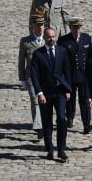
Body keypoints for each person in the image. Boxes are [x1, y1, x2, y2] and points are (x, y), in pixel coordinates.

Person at [31, 27, 72, 161]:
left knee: (61, 119)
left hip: (60, 91)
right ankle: (49, 149)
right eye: (49, 37)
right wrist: (39, 93)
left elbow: (67, 72)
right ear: (44, 38)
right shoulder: (38, 54)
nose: (52, 39)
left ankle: (61, 149)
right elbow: (34, 75)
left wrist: (67, 89)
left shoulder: (62, 51)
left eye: (53, 37)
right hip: (46, 94)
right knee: (47, 122)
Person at [58, 16, 92, 133]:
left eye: (78, 27)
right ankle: (70, 118)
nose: (76, 30)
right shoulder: (64, 40)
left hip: (83, 75)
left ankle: (86, 124)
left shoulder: (86, 38)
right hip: (70, 75)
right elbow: (61, 59)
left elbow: (90, 57)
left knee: (85, 100)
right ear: (70, 27)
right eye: (74, 27)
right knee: (70, 99)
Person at [18, 14, 45, 140]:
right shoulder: (26, 41)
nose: (40, 28)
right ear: (32, 26)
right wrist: (22, 79)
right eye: (38, 25)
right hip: (30, 76)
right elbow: (21, 61)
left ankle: (45, 124)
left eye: (42, 25)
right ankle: (39, 127)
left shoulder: (48, 39)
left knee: (45, 102)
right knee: (35, 101)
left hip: (45, 77)